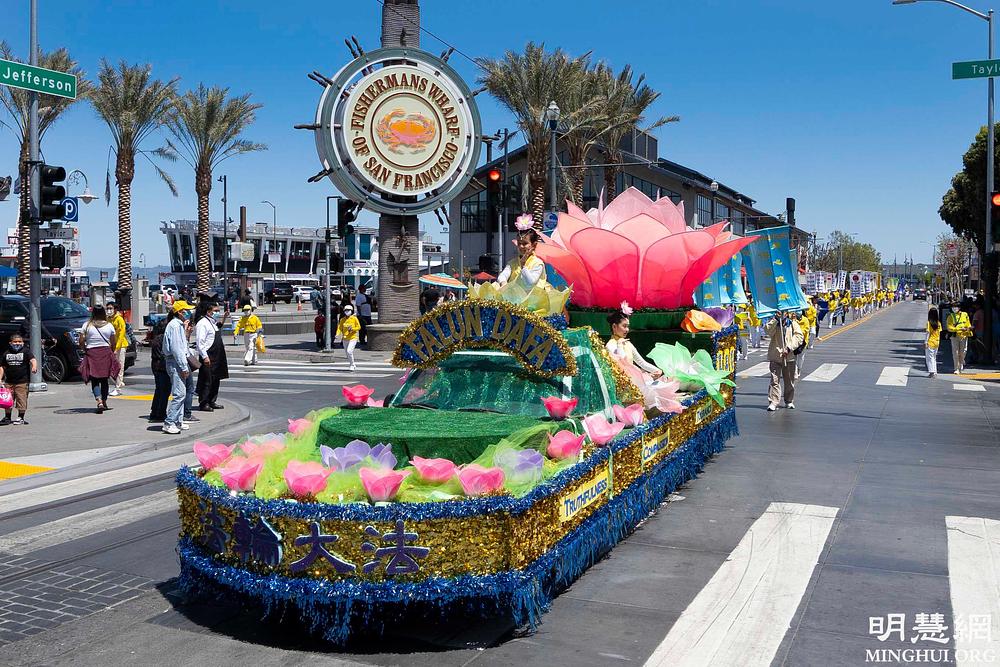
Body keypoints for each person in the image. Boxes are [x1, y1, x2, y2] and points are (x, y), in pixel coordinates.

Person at [163, 300, 195, 434]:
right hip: (175, 362)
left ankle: (178, 421)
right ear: (180, 312)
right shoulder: (175, 326)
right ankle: (169, 422)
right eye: (186, 310)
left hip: (176, 361)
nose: (189, 312)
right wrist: (184, 367)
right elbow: (177, 349)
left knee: (181, 393)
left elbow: (182, 346)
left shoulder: (178, 325)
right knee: (179, 394)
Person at [79, 304, 119, 414]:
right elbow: (113, 342)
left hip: (91, 353)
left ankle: (99, 401)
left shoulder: (87, 325)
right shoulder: (109, 326)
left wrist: (84, 349)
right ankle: (104, 401)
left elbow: (81, 341)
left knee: (94, 379)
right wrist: (111, 351)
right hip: (105, 353)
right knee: (104, 379)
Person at [765, 310, 804, 412]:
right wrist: (775, 320)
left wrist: (789, 348)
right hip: (776, 355)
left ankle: (789, 400)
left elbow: (799, 337)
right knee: (774, 380)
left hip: (789, 356)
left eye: (783, 312)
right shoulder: (774, 322)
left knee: (789, 381)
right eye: (779, 312)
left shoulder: (792, 323)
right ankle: (773, 402)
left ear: (787, 313)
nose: (781, 314)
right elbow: (767, 331)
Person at [195, 300, 228, 412]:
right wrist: (205, 356)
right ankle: (203, 403)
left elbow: (218, 327)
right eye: (215, 311)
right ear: (208, 311)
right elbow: (200, 342)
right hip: (209, 355)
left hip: (217, 355)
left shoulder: (212, 322)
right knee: (207, 380)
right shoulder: (202, 323)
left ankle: (212, 401)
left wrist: (224, 318)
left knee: (215, 379)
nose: (217, 312)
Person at [0, 332, 36, 425]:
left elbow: (33, 359)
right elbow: (2, 366)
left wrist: (34, 366)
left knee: (21, 400)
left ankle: (21, 417)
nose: (17, 343)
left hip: (22, 382)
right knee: (8, 400)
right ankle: (7, 417)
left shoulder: (26, 351)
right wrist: (0, 378)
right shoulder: (6, 353)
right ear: (10, 343)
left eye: (20, 341)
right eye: (15, 342)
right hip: (9, 382)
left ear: (23, 342)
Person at [148, 314, 172, 423]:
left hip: (156, 366)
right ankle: (160, 413)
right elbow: (165, 353)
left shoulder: (156, 338)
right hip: (162, 367)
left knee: (159, 390)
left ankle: (155, 411)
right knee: (164, 391)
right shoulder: (163, 338)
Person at [106, 302, 129, 397]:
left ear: (115, 309)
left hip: (121, 346)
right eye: (107, 308)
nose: (109, 310)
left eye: (110, 308)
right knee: (110, 367)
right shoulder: (108, 319)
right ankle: (119, 382)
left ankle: (118, 388)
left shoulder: (119, 319)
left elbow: (121, 334)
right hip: (112, 346)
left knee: (119, 367)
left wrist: (117, 348)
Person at [946, 303, 973, 375]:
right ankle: (956, 368)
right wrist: (959, 329)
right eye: (953, 307)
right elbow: (949, 327)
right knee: (955, 352)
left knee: (963, 351)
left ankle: (961, 361)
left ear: (959, 308)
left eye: (956, 307)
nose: (954, 308)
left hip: (964, 335)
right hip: (954, 336)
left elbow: (968, 323)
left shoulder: (965, 314)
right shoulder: (950, 316)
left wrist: (968, 328)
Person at [337, 304, 361, 371]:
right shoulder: (342, 320)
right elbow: (339, 328)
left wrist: (353, 329)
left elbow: (359, 327)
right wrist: (337, 334)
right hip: (345, 339)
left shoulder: (354, 318)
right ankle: (352, 363)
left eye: (348, 310)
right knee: (347, 353)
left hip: (353, 338)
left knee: (349, 351)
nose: (347, 311)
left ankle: (352, 365)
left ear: (351, 311)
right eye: (346, 310)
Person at [794, 310, 811, 381]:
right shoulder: (793, 320)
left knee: (801, 357)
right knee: (794, 357)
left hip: (803, 341)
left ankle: (799, 369)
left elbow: (806, 329)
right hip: (795, 341)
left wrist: (798, 331)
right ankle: (795, 372)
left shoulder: (805, 320)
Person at [926, 306, 941, 378]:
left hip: (930, 342)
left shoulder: (929, 323)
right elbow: (939, 333)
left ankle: (932, 372)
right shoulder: (939, 323)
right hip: (937, 342)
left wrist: (925, 342)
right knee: (934, 357)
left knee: (929, 358)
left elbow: (928, 333)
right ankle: (935, 372)